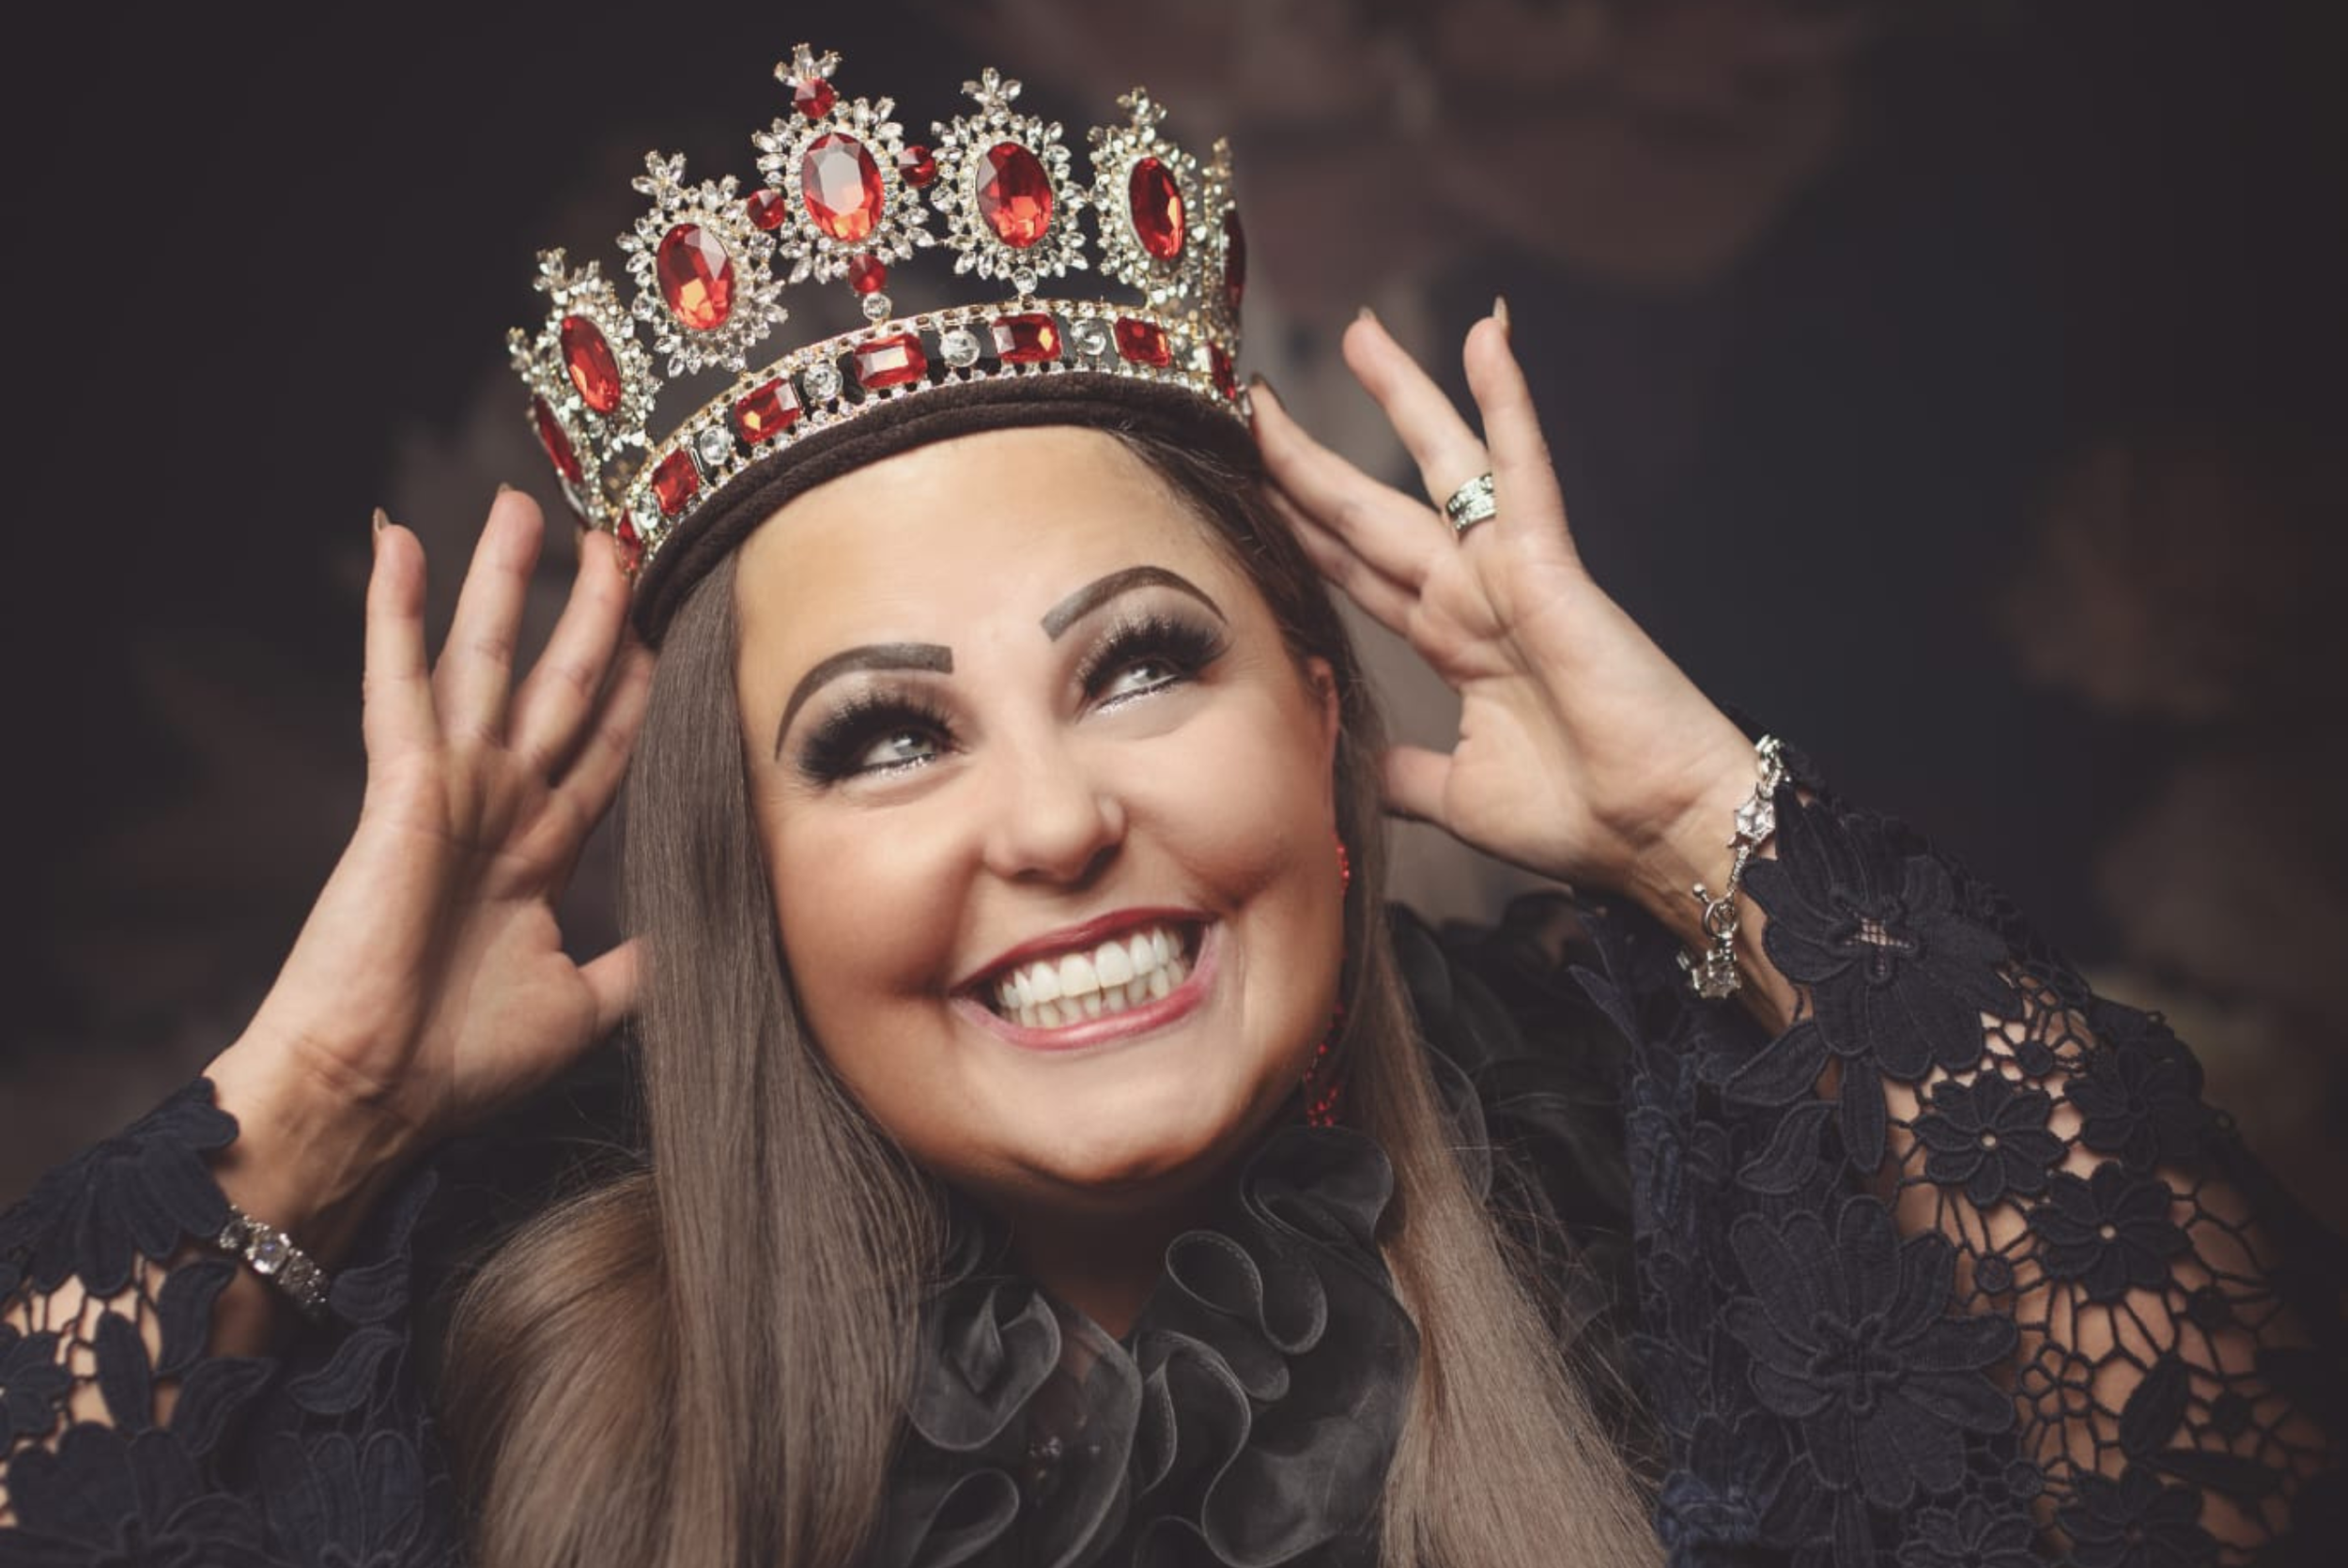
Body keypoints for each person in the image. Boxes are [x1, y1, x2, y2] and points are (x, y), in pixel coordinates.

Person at [2, 46, 2339, 1568]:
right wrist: (311, 1107)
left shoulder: (1674, 1209)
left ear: (1321, 726)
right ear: (754, 888)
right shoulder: (498, 1380)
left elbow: (2235, 1474)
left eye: (1138, 661)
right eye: (883, 734)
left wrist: (1703, 830)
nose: (1049, 821)